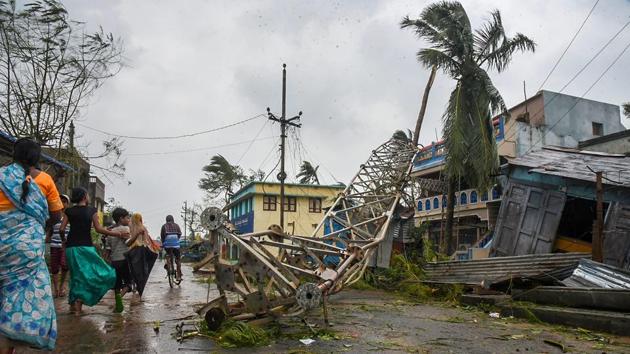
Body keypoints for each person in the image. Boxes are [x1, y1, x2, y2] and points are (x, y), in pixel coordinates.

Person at [0, 138, 63, 352]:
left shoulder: (1, 176)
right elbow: (56, 217)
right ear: (37, 157)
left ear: (13, 155)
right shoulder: (45, 180)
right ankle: (10, 336)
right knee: (21, 293)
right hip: (27, 248)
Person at [59, 187, 128, 313]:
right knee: (101, 272)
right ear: (85, 196)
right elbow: (99, 229)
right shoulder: (91, 210)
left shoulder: (69, 211)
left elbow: (62, 229)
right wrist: (117, 234)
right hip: (86, 247)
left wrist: (64, 241)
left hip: (71, 248)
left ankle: (74, 304)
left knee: (75, 276)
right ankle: (79, 303)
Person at [125, 213, 158, 296]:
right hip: (140, 250)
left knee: (131, 268)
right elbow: (146, 240)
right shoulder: (143, 228)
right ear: (140, 219)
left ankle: (132, 282)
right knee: (140, 269)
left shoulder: (129, 226)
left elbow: (127, 240)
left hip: (131, 250)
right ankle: (138, 285)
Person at [107, 207, 133, 313]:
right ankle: (118, 299)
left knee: (117, 285)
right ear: (121, 218)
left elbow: (108, 248)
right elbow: (128, 242)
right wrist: (135, 235)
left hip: (114, 261)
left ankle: (117, 305)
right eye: (127, 218)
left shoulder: (110, 231)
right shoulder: (125, 229)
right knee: (128, 284)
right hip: (124, 260)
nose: (129, 220)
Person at [46, 194, 71, 298]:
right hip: (54, 245)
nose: (62, 203)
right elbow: (50, 230)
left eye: (64, 201)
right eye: (60, 201)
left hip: (65, 245)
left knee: (65, 266)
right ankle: (56, 289)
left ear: (67, 204)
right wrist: (47, 238)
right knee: (54, 267)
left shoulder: (70, 216)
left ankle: (62, 286)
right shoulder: (54, 216)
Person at [161, 215, 183, 281]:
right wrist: (176, 240)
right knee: (178, 259)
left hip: (167, 245)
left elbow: (162, 236)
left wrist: (163, 244)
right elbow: (179, 234)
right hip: (176, 245)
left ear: (166, 220)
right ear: (173, 219)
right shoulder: (177, 225)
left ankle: (167, 263)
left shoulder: (164, 226)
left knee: (166, 254)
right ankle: (179, 276)